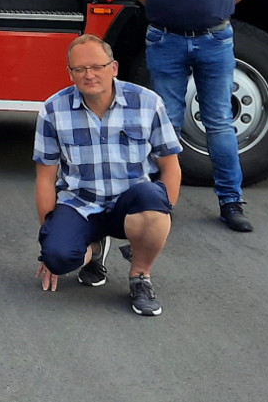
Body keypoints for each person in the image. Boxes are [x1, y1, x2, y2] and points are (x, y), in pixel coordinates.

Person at [118, 0, 261, 233]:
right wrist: (166, 10)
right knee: (166, 123)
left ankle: (231, 201)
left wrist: (215, 10)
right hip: (165, 40)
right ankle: (161, 201)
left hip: (215, 40)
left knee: (219, 123)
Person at [34, 34, 181, 316]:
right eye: (80, 69)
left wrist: (163, 214)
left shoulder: (147, 103)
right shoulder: (53, 109)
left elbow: (170, 166)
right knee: (58, 256)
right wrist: (47, 237)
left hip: (132, 203)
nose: (89, 75)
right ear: (70, 73)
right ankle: (93, 248)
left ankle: (140, 277)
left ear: (113, 67)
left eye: (97, 67)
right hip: (80, 204)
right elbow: (45, 177)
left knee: (152, 197)